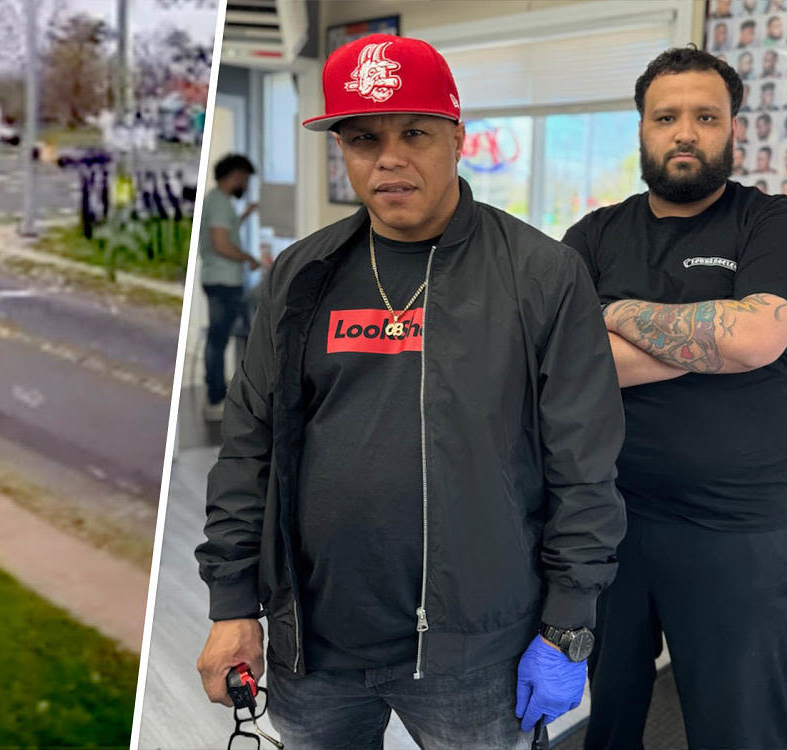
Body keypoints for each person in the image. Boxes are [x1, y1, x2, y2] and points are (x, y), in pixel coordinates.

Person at [196, 33, 626, 749]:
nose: (388, 157)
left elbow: (585, 468)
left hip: (478, 653)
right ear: (342, 150)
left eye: (414, 132)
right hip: (315, 642)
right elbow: (248, 449)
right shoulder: (302, 277)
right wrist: (232, 601)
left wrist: (568, 626)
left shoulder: (542, 277)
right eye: (362, 137)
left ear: (457, 138)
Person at [561, 46, 787, 750]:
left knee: (740, 729)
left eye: (706, 116)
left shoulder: (775, 224)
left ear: (732, 126)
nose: (685, 132)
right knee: (605, 718)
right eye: (666, 116)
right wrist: (708, 340)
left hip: (736, 529)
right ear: (641, 128)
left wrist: (612, 312)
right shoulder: (593, 235)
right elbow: (564, 363)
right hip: (607, 518)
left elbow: (753, 340)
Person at [198, 153, 262, 421]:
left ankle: (218, 395)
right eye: (245, 180)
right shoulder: (221, 204)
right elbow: (221, 244)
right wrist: (249, 258)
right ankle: (216, 399)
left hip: (217, 279)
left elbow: (226, 232)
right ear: (235, 176)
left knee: (219, 338)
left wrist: (245, 215)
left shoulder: (216, 201)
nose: (245, 186)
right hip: (224, 282)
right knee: (218, 341)